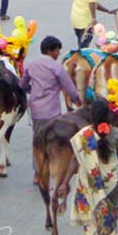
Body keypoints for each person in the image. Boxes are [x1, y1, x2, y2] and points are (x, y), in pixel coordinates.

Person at [70, 98, 118, 235]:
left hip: (90, 181)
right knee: (109, 213)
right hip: (111, 180)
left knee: (91, 216)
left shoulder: (84, 134)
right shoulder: (116, 133)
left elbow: (76, 160)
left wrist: (64, 182)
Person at [21, 36, 81, 180]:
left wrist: (31, 91)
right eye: (57, 51)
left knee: (38, 141)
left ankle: (38, 173)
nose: (58, 54)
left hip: (36, 111)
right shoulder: (56, 67)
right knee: (54, 142)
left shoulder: (31, 65)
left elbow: (23, 84)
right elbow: (69, 87)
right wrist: (77, 101)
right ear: (50, 51)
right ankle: (54, 169)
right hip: (52, 112)